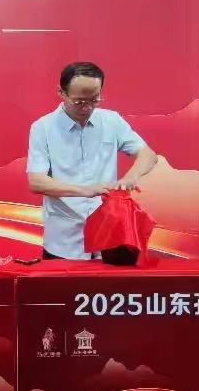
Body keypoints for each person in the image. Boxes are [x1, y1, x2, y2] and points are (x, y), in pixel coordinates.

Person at [26, 62, 158, 260]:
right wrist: (87, 190)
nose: (87, 107)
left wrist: (130, 177)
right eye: (79, 101)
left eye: (94, 100)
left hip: (109, 240)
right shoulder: (42, 128)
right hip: (64, 241)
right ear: (61, 92)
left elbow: (148, 155)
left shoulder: (111, 121)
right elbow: (37, 182)